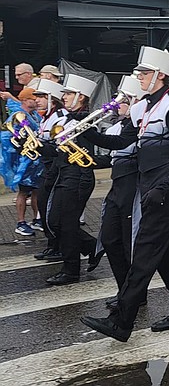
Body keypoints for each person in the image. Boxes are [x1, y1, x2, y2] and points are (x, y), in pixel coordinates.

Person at [81, 46, 169, 342]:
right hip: (150, 188)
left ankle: (122, 321)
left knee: (144, 255)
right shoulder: (141, 108)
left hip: (164, 190)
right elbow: (123, 142)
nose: (139, 77)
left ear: (160, 76)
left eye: (143, 73)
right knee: (167, 254)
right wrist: (89, 134)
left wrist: (163, 187)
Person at [80, 75, 144, 301]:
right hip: (118, 182)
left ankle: (133, 293)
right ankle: (125, 289)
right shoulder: (120, 125)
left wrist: (88, 132)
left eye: (124, 100)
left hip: (132, 183)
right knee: (109, 238)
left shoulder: (139, 123)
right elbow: (112, 156)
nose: (118, 104)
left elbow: (120, 144)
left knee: (129, 241)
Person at [40, 74, 99, 285]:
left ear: (80, 97)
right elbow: (58, 151)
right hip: (63, 175)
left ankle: (71, 269)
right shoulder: (65, 120)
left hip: (78, 177)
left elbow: (87, 154)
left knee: (66, 225)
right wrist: (38, 146)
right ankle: (92, 246)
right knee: (54, 222)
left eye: (69, 93)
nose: (63, 96)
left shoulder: (86, 122)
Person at [31, 79, 68, 261]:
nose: (37, 100)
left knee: (50, 209)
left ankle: (66, 246)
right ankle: (53, 245)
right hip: (46, 167)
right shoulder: (46, 117)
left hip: (56, 167)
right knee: (44, 207)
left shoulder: (60, 116)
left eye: (41, 97)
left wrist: (38, 146)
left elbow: (55, 147)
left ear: (52, 98)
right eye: (36, 96)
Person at [1, 87, 43, 236]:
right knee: (24, 192)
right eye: (33, 99)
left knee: (37, 190)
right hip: (24, 161)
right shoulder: (19, 115)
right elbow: (9, 138)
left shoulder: (35, 115)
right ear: (25, 100)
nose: (36, 101)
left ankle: (37, 219)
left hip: (36, 161)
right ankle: (20, 222)